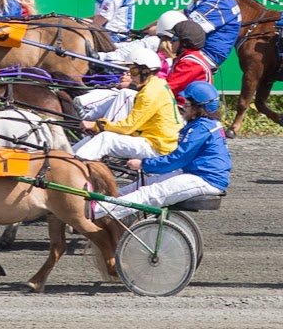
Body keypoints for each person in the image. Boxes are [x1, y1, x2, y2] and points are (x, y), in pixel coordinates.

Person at [96, 81, 232, 221]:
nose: (184, 107)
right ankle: (108, 202)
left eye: (187, 104)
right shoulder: (205, 124)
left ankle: (95, 214)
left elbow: (177, 159)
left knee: (150, 193)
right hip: (195, 172)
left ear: (199, 108)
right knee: (143, 184)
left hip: (205, 179)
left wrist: (143, 164)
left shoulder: (201, 128)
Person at [74, 49, 181, 161]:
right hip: (156, 139)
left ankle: (75, 163)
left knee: (106, 138)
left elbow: (127, 127)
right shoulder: (158, 84)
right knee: (102, 134)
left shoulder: (149, 93)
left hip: (158, 147)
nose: (131, 76)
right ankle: (71, 155)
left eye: (134, 72)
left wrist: (96, 126)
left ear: (145, 71)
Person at [181, 0, 242, 70]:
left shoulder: (218, 4)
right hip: (196, 54)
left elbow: (187, 32)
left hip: (203, 59)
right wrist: (144, 30)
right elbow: (179, 15)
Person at [164, 21, 212, 105]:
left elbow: (168, 88)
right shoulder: (186, 57)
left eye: (174, 38)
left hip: (193, 112)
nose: (171, 42)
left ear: (184, 43)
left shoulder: (190, 62)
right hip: (186, 107)